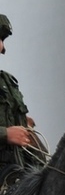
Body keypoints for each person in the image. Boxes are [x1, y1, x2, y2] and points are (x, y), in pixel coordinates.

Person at [0, 14, 37, 176]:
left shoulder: (7, 81)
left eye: (2, 39)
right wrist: (5, 134)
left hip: (14, 172)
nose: (1, 46)